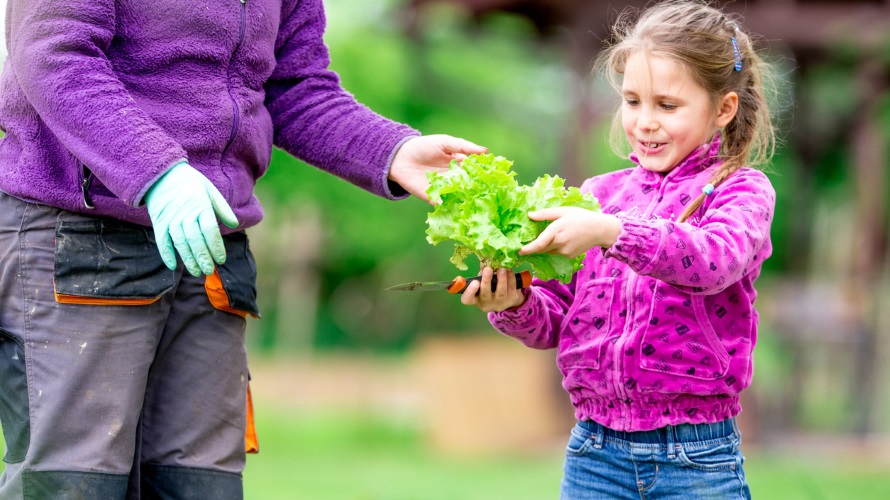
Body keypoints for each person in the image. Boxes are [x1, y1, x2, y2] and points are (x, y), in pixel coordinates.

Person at [0, 0, 484, 498]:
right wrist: (157, 171)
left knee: (198, 484)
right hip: (82, 236)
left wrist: (390, 151)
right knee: (72, 482)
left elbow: (294, 87)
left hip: (210, 249)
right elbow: (54, 53)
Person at [461, 1, 776, 498]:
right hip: (595, 453)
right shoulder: (598, 196)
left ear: (723, 109)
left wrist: (613, 232)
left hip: (697, 457)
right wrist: (514, 303)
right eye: (632, 101)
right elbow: (557, 319)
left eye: (666, 106)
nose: (644, 121)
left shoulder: (740, 190)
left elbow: (714, 260)